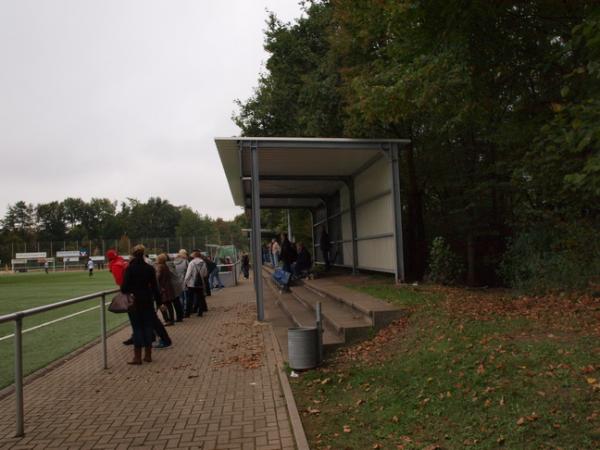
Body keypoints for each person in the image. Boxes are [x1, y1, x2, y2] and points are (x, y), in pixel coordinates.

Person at [120, 245, 160, 365]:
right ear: (143, 254)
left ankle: (137, 357)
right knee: (148, 327)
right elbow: (155, 287)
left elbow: (124, 287)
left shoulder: (130, 268)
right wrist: (159, 302)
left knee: (137, 328)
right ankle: (148, 355)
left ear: (133, 254)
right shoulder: (149, 268)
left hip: (134, 301)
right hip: (147, 300)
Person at [184, 251, 208, 317]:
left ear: (194, 255)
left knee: (190, 299)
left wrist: (185, 282)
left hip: (191, 284)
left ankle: (187, 313)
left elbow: (188, 274)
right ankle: (200, 312)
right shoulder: (203, 263)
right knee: (200, 298)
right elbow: (205, 273)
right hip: (200, 283)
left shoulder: (191, 263)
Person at [155, 254, 175, 326]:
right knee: (169, 305)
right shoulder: (166, 266)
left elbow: (157, 278)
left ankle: (167, 319)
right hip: (168, 288)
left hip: (163, 289)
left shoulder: (160, 267)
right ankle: (171, 320)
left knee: (162, 304)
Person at [174, 249, 189, 317]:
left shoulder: (174, 262)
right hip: (184, 281)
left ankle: (181, 311)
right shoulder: (186, 261)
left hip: (177, 282)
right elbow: (188, 271)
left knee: (180, 297)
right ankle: (186, 310)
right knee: (186, 297)